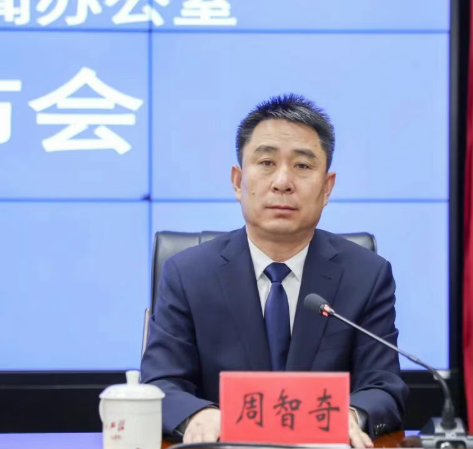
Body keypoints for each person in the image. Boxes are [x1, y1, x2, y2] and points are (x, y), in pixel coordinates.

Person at [140, 94, 408, 448]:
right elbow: (160, 382)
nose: (282, 181)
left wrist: (350, 415)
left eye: (302, 166)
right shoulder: (187, 274)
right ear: (238, 181)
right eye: (266, 162)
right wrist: (198, 415)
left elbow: (384, 386)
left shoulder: (365, 275)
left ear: (327, 187)